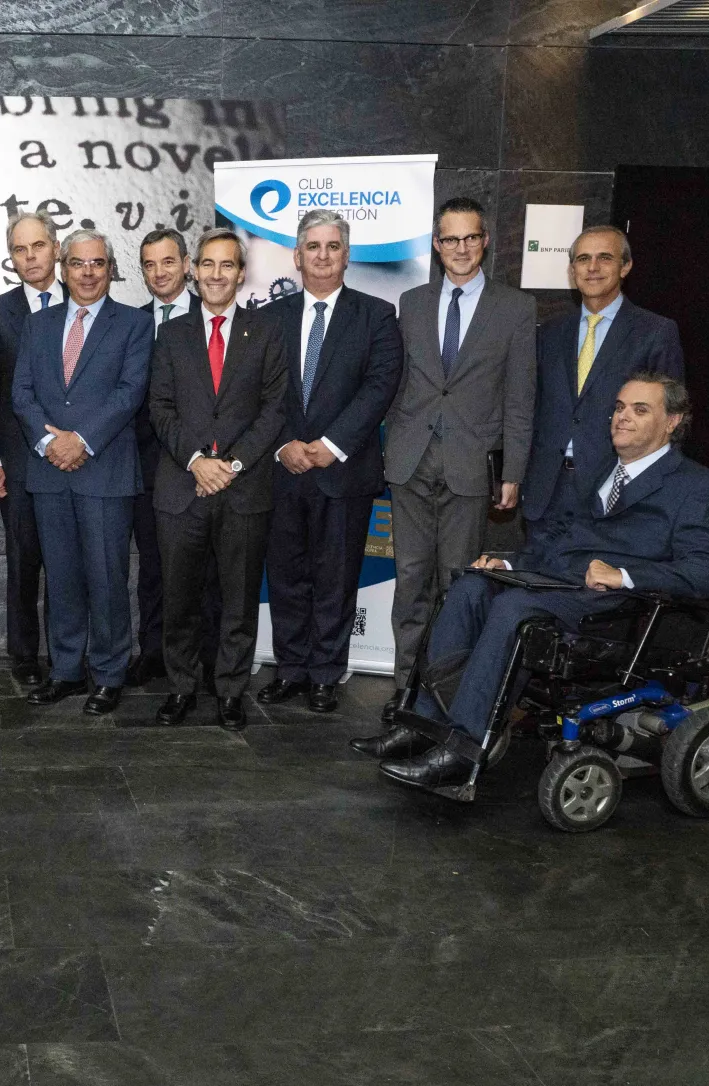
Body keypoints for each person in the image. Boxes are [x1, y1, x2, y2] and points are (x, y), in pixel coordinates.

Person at [359, 374, 709, 790]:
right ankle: (424, 724)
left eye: (640, 410)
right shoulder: (597, 471)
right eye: (619, 407)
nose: (622, 417)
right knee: (470, 585)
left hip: (621, 606)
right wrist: (507, 561)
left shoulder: (699, 488)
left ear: (672, 422)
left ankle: (464, 748)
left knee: (515, 609)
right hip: (558, 584)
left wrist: (625, 576)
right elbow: (555, 539)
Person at [382, 198, 536, 722]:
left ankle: (444, 696)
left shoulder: (515, 309)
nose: (461, 248)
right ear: (436, 245)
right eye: (451, 239)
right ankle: (405, 690)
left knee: (458, 586)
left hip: (472, 468)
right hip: (411, 461)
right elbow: (399, 382)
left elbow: (520, 399)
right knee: (410, 581)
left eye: (471, 238)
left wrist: (512, 471)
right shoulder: (411, 302)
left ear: (485, 242)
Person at [256, 209, 404, 714]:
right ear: (297, 257)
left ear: (347, 255)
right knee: (285, 576)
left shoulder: (377, 315)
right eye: (313, 247)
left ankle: (324, 673)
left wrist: (331, 444)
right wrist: (285, 444)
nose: (323, 255)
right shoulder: (268, 317)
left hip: (344, 469)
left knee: (336, 580)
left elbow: (380, 386)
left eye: (332, 246)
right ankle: (290, 668)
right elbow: (259, 392)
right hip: (283, 469)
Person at [146, 228, 288, 729]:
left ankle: (230, 691)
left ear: (241, 274)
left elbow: (274, 409)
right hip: (182, 488)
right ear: (193, 270)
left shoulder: (266, 331)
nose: (216, 274)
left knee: (238, 600)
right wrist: (195, 461)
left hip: (242, 489)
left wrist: (232, 465)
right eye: (207, 264)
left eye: (227, 265)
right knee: (179, 599)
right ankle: (181, 687)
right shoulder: (172, 334)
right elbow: (160, 407)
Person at [12, 229, 153, 715]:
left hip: (104, 471)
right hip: (50, 471)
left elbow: (130, 392)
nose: (88, 273)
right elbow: (21, 392)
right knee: (62, 577)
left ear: (110, 269)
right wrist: (50, 442)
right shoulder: (38, 324)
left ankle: (110, 673)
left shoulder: (135, 324)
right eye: (78, 263)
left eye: (97, 263)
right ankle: (67, 670)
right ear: (63, 268)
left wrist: (82, 441)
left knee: (108, 578)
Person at [520, 225, 685, 537]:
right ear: (572, 270)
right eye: (583, 259)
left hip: (616, 489)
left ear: (625, 266)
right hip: (546, 490)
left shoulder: (655, 332)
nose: (592, 267)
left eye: (604, 258)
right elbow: (534, 406)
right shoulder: (550, 332)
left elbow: (670, 418)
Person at [0, 211, 64, 685]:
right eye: (19, 250)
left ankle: (70, 654)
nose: (30, 257)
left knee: (72, 564)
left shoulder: (84, 301)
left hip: (76, 459)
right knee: (24, 561)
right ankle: (25, 656)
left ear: (56, 248)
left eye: (38, 246)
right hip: (18, 461)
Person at [129, 228, 193, 685]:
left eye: (168, 262)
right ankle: (153, 652)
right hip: (145, 467)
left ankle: (201, 658)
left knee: (204, 570)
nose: (159, 273)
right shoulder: (130, 323)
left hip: (202, 466)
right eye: (149, 265)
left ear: (187, 265)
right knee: (152, 567)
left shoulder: (215, 317)